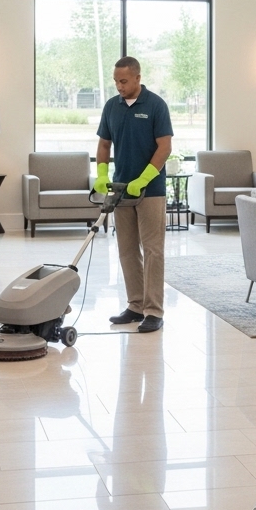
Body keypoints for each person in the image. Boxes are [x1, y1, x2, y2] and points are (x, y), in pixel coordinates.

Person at [96, 56, 173, 333]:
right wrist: (103, 175)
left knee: (152, 251)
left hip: (150, 190)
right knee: (127, 250)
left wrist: (144, 178)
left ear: (138, 78)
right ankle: (135, 305)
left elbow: (164, 147)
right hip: (120, 190)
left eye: (124, 81)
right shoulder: (111, 107)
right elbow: (104, 144)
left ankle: (154, 311)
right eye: (116, 81)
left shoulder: (155, 105)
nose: (119, 86)